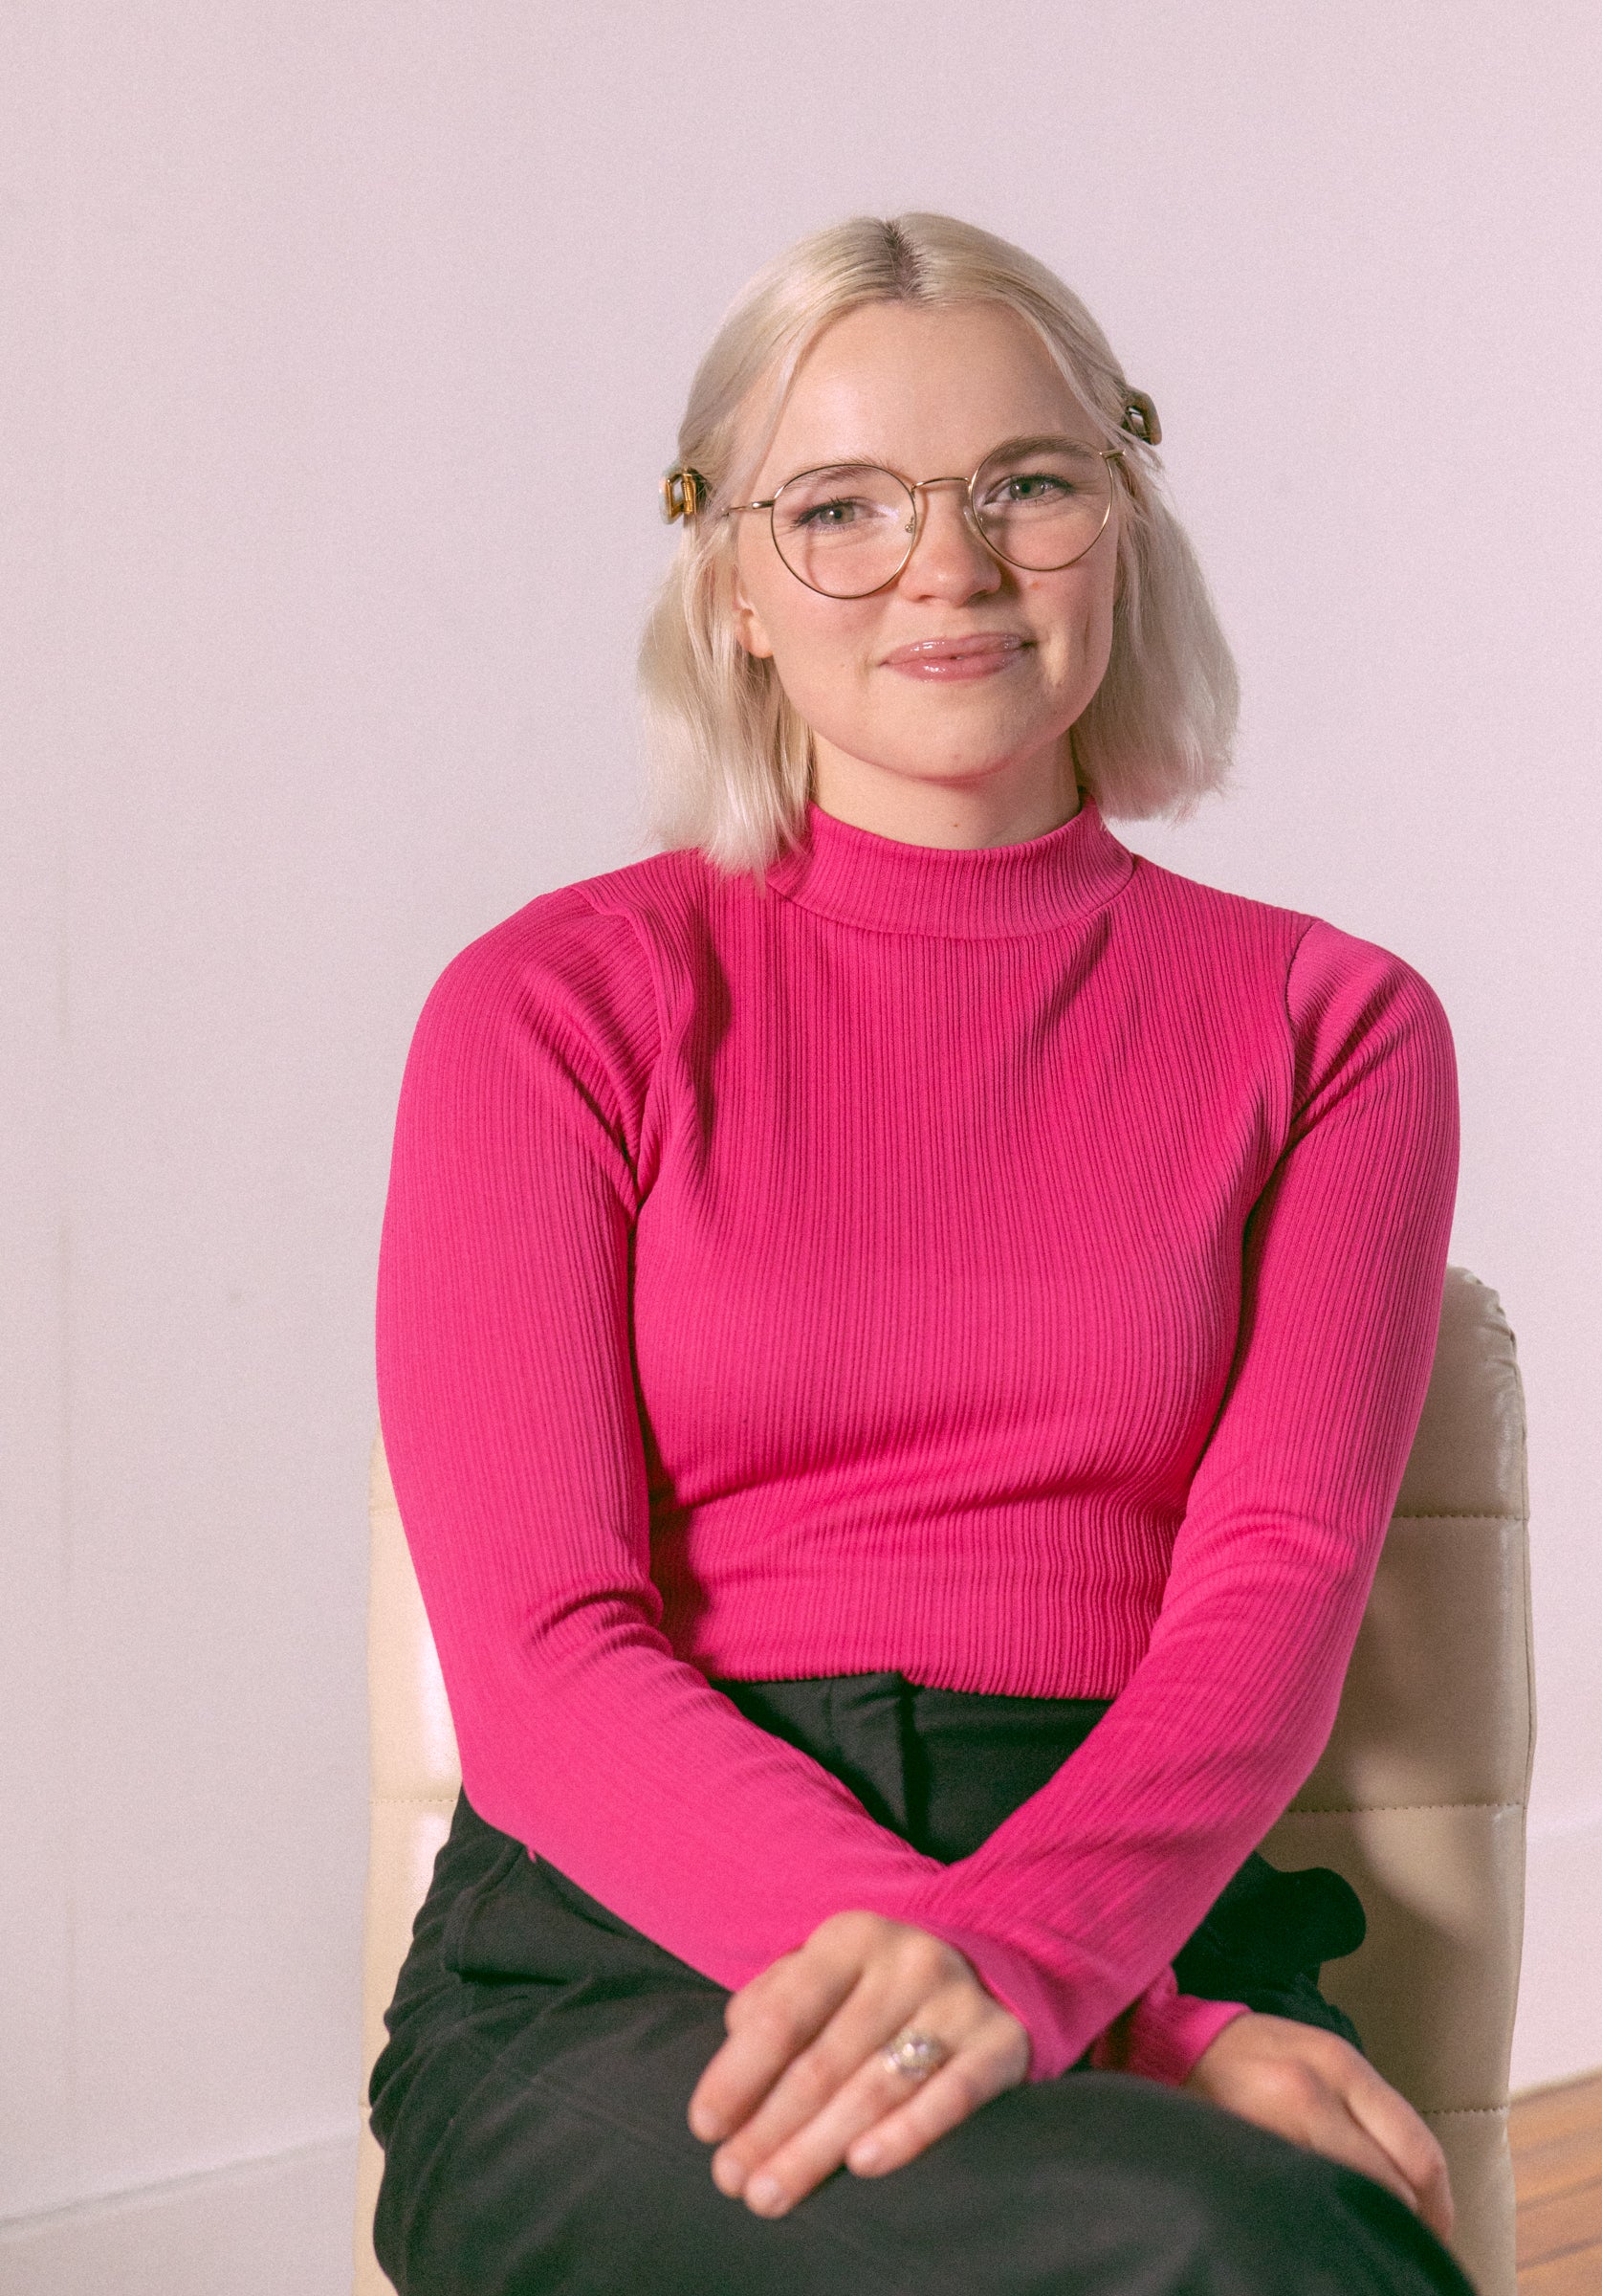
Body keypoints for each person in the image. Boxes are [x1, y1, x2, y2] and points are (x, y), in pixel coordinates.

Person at [367, 211, 1470, 2295]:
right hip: (638, 1947)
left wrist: (1074, 1962)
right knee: (1212, 2255)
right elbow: (541, 1663)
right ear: (735, 588)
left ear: (1121, 524)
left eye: (1024, 487)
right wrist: (1089, 2013)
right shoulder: (547, 1011)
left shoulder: (1338, 1029)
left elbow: (1276, 1592)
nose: (945, 567)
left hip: (1130, 1874)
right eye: (842, 507)